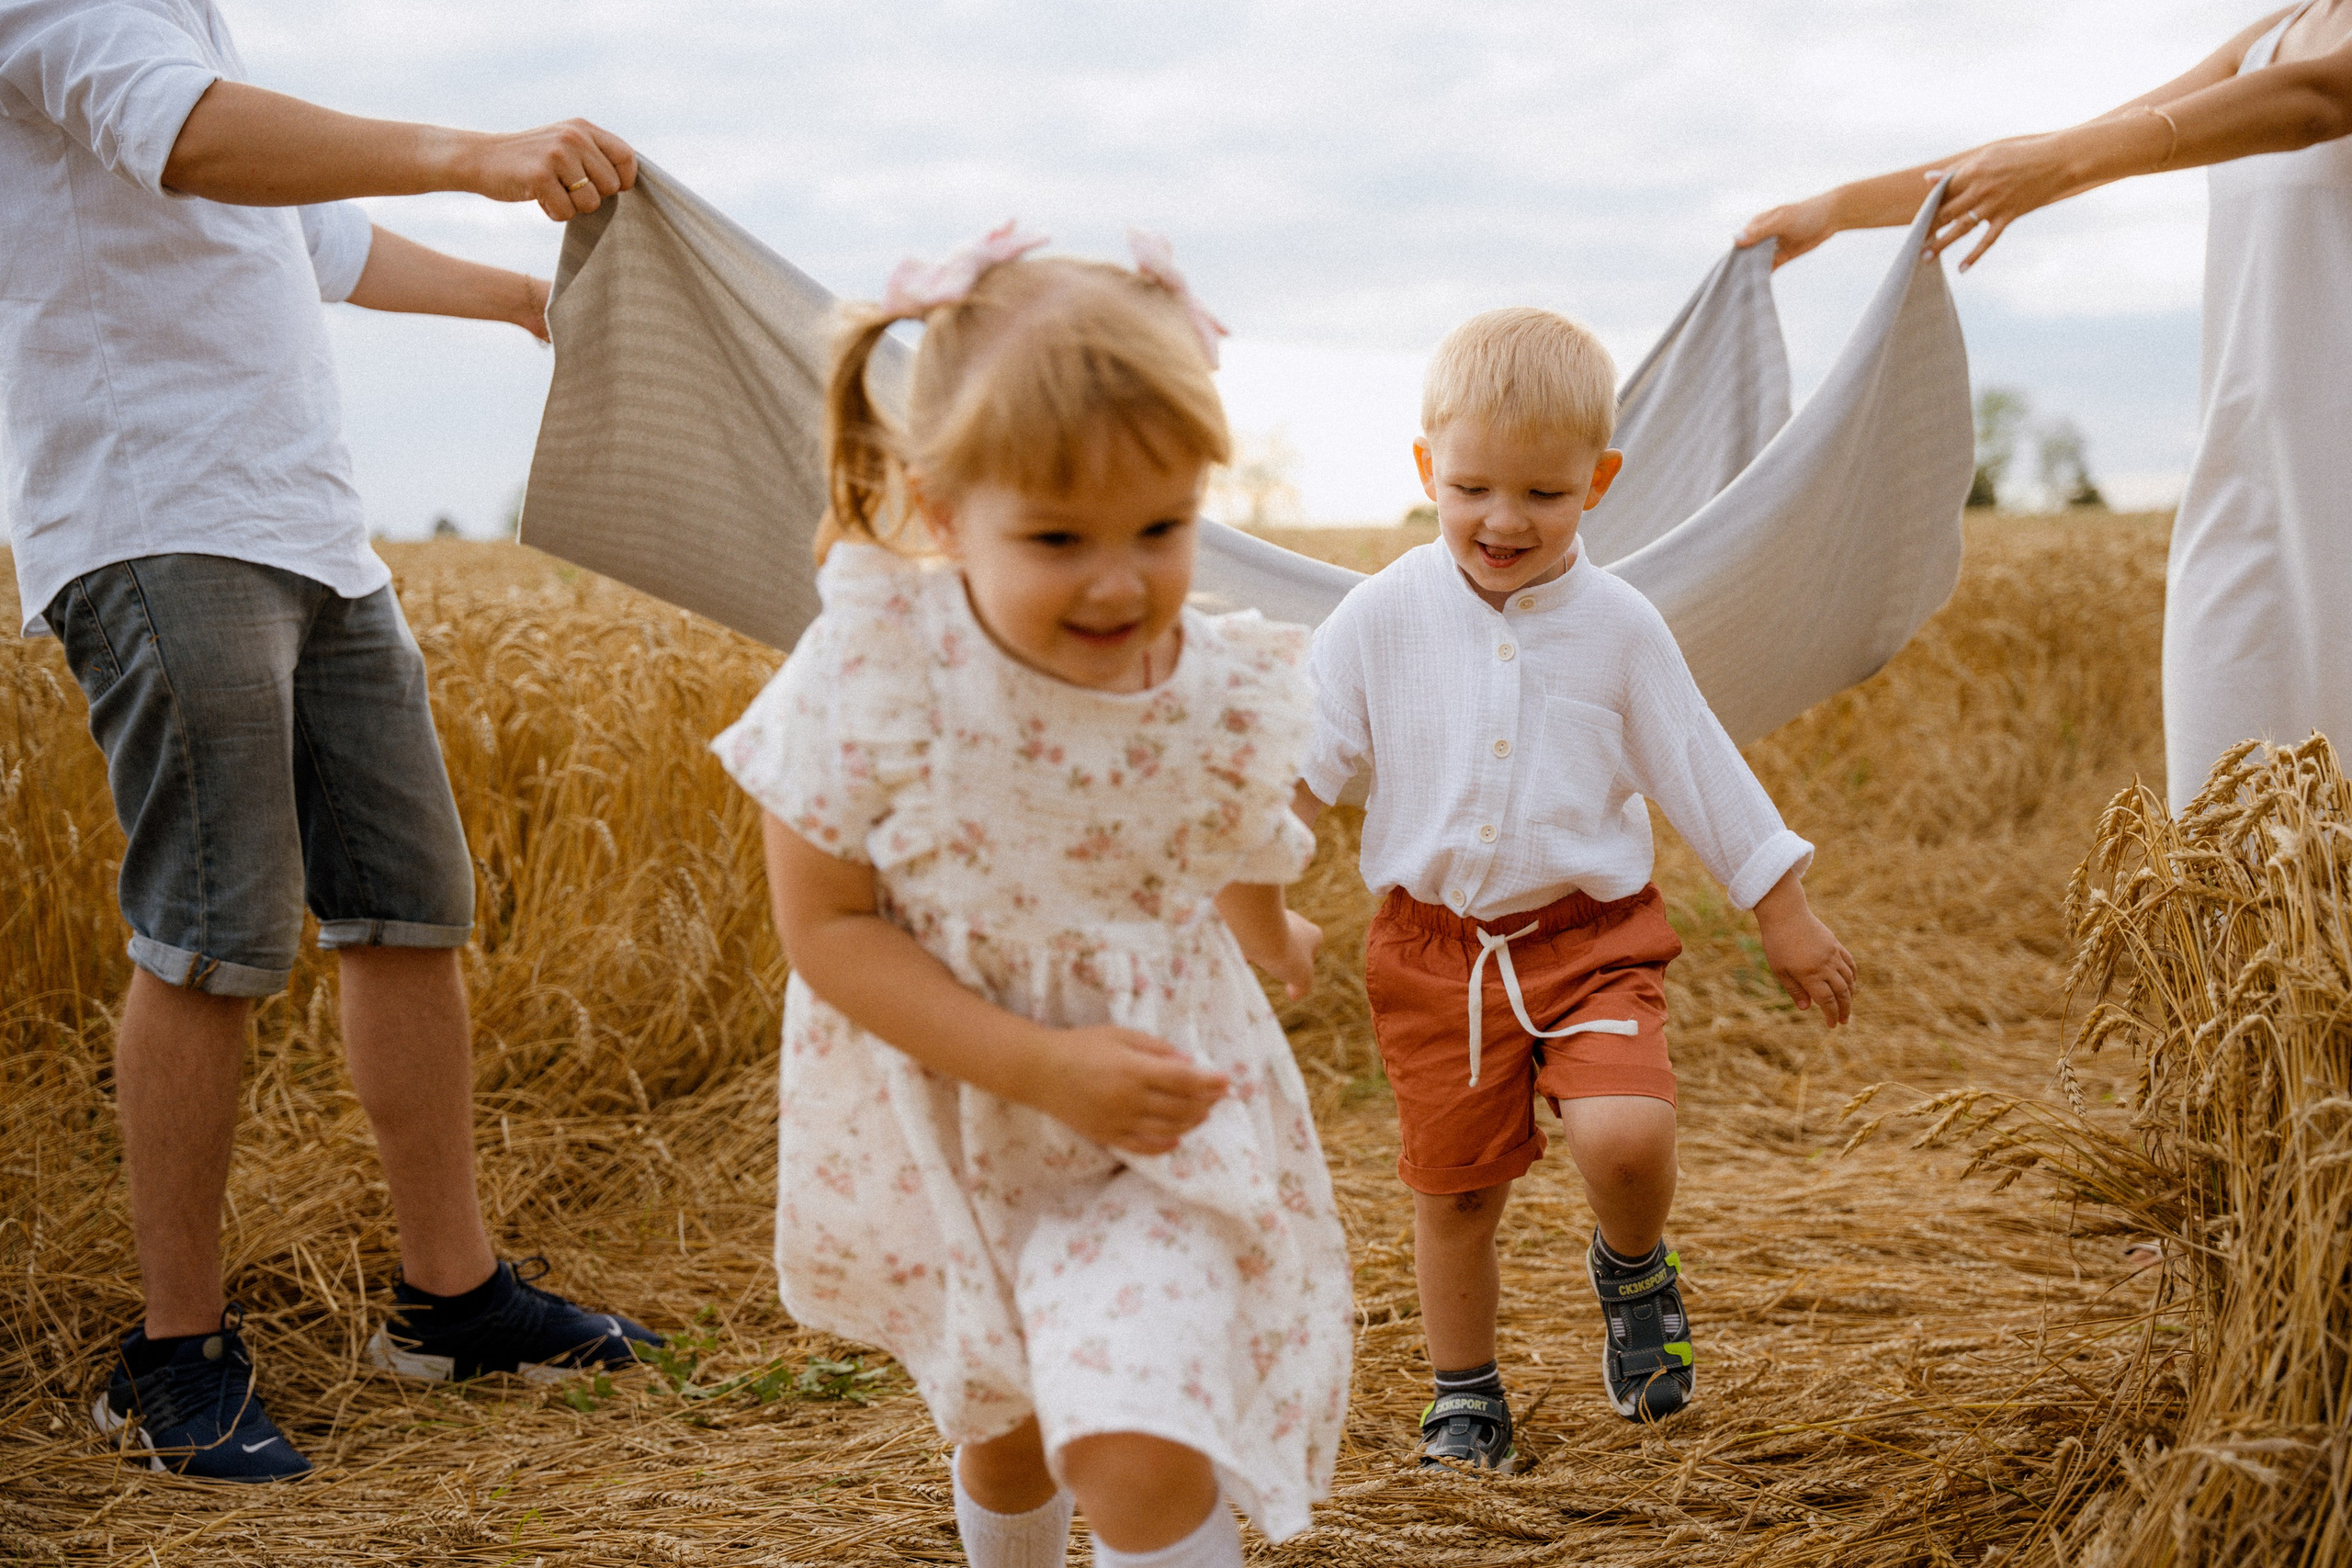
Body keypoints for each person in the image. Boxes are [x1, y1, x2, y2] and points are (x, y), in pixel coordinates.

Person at [0, 0, 659, 1483]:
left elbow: (311, 242)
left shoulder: (189, 22)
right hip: (161, 522)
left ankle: (450, 1299)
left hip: (315, 534)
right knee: (214, 937)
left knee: (409, 906)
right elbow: (194, 141)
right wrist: (474, 152)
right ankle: (172, 1358)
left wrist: (514, 298)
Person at [711, 226, 1352, 1568]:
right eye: (1059, 536)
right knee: (1002, 1414)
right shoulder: (878, 670)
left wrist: (1262, 923)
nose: (1121, 580)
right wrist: (1037, 1062)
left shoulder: (1215, 677)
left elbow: (1210, 820)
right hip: (961, 1101)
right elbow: (824, 925)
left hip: (1152, 1107)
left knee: (1138, 1420)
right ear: (945, 511)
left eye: (1163, 527)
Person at [1297, 308, 1856, 1468]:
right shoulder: (1377, 618)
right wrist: (1259, 882)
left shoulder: (1617, 626)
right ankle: (1464, 1391)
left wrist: (1781, 908)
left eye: (1543, 496)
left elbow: (1698, 766)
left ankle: (1635, 1270)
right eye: (1473, 489)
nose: (1504, 521)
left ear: (1596, 483)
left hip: (1591, 938)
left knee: (1626, 1135)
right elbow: (1302, 765)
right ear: (1425, 472)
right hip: (1434, 960)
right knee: (1454, 1198)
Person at [1739, 3, 2352, 812]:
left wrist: (2064, 164)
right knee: (2223, 840)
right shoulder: (2281, 31)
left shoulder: (2307, 65)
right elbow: (2077, 143)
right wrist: (1842, 207)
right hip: (2248, 489)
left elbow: (2318, 100)